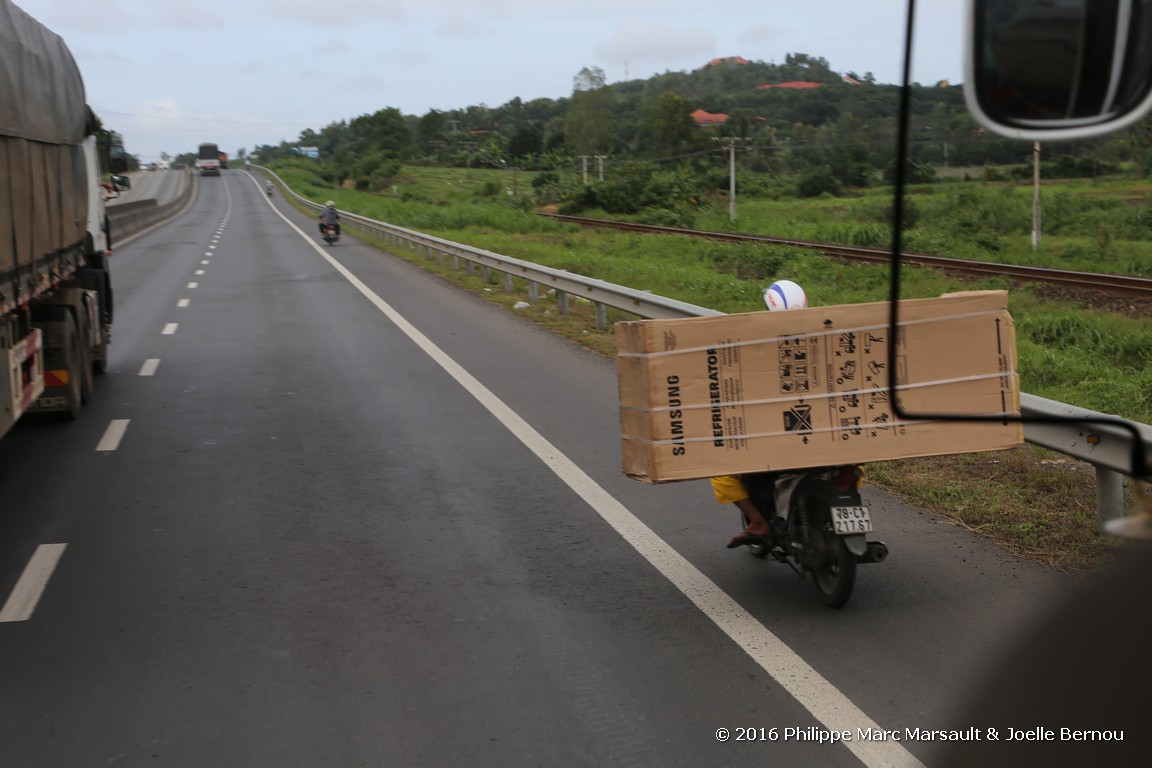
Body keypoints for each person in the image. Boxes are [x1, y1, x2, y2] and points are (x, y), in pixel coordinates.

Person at [712, 279, 808, 549]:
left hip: (776, 442)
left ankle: (757, 521)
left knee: (721, 470)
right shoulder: (828, 333)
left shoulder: (755, 343)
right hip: (827, 441)